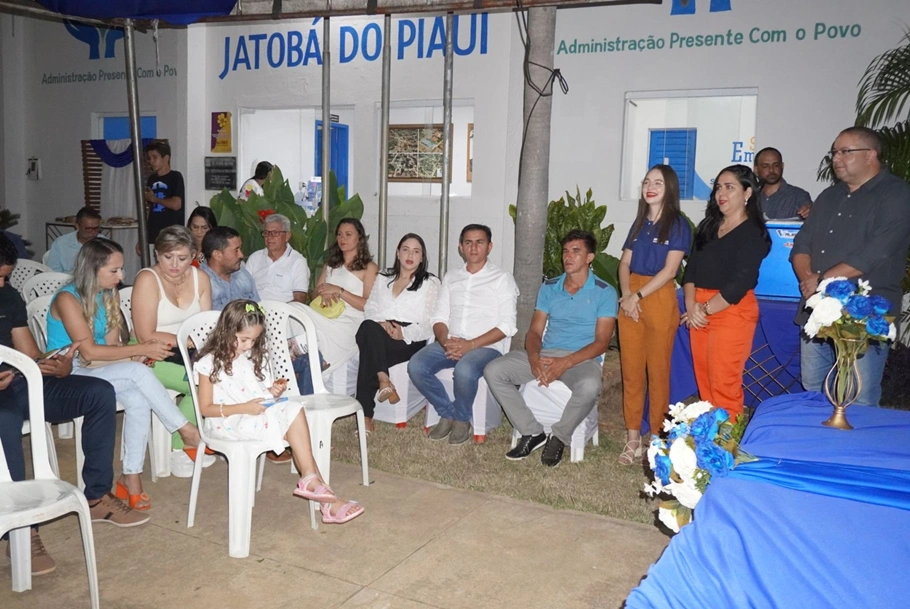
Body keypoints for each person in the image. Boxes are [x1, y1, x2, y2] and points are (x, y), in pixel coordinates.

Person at [0, 235, 146, 576]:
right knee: (5, 419)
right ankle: (19, 530)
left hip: (19, 380)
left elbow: (29, 353)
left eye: (5, 276)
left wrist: (56, 365)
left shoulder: (8, 296)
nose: (2, 283)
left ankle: (96, 496)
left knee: (98, 393)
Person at [46, 238, 204, 511]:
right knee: (136, 372)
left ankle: (131, 475)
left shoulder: (109, 295)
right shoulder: (66, 298)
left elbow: (110, 347)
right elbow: (89, 353)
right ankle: (187, 431)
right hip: (67, 373)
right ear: (92, 269)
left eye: (121, 270)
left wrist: (135, 354)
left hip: (94, 369)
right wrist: (141, 350)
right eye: (114, 271)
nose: (122, 277)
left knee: (137, 395)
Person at [194, 300, 364, 524]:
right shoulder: (209, 364)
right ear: (227, 331)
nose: (247, 346)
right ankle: (325, 498)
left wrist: (270, 392)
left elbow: (249, 394)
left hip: (252, 415)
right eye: (244, 339)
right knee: (296, 427)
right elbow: (206, 408)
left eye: (253, 340)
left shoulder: (245, 359)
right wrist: (246, 408)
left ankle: (321, 492)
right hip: (229, 422)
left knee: (294, 414)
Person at [791, 127, 910, 407]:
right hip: (818, 309)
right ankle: (819, 449)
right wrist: (808, 280)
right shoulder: (829, 196)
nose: (836, 158)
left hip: (865, 313)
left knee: (858, 393)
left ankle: (853, 449)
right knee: (813, 386)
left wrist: (819, 279)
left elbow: (874, 253)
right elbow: (802, 243)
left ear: (871, 155)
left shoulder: (897, 195)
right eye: (834, 152)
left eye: (845, 152)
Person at [484, 230, 617, 467]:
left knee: (589, 386)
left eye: (576, 251)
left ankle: (559, 437)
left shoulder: (604, 292)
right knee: (495, 370)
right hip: (546, 355)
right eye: (566, 251)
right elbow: (534, 332)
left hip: (581, 361)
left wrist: (565, 363)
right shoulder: (550, 287)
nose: (568, 256)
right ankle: (532, 432)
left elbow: (601, 343)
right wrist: (534, 359)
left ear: (589, 258)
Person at [408, 224, 518, 445]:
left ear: (489, 246)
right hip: (451, 340)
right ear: (460, 247)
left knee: (465, 369)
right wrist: (445, 341)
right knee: (416, 365)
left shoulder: (502, 279)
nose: (474, 247)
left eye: (480, 242)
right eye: (468, 242)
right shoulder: (451, 277)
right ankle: (447, 412)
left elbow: (507, 325)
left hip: (486, 346)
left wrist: (471, 345)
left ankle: (462, 419)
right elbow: (439, 317)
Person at [681, 165, 771, 417]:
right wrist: (691, 306)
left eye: (729, 187)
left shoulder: (753, 233)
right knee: (705, 382)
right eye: (719, 187)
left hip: (731, 310)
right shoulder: (707, 227)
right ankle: (709, 442)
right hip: (698, 309)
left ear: (747, 193)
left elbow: (740, 283)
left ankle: (726, 447)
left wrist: (704, 309)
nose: (721, 193)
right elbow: (691, 274)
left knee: (724, 384)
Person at [617, 165, 691, 465]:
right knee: (631, 371)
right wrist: (626, 296)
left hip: (658, 297)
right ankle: (633, 437)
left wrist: (637, 296)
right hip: (630, 297)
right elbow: (624, 264)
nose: (650, 186)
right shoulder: (638, 224)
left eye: (657, 182)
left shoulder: (678, 225)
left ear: (669, 188)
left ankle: (657, 439)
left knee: (658, 373)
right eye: (646, 181)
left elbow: (671, 271)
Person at [131, 226, 212, 456]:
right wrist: (187, 341)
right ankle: (181, 446)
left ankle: (197, 436)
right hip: (151, 352)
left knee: (218, 376)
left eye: (182, 258)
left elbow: (205, 325)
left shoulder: (201, 278)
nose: (174, 265)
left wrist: (198, 344)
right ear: (157, 254)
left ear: (193, 256)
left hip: (190, 350)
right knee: (198, 384)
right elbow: (145, 334)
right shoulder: (148, 279)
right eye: (168, 257)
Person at [356, 233, 439, 434]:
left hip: (411, 338)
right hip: (380, 329)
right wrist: (382, 324)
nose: (410, 254)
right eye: (405, 249)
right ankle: (383, 380)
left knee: (368, 345)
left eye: (416, 251)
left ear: (422, 257)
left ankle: (366, 415)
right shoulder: (384, 277)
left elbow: (431, 322)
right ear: (398, 253)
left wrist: (403, 332)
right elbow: (371, 307)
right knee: (368, 328)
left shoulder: (430, 282)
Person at [299, 218, 379, 370]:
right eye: (340, 234)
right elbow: (314, 294)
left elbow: (368, 305)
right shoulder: (330, 264)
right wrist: (323, 292)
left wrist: (339, 291)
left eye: (348, 234)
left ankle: (320, 362)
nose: (342, 239)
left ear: (359, 238)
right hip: (324, 314)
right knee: (296, 309)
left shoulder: (369, 268)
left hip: (350, 320)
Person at [246, 214, 309, 304]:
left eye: (275, 233)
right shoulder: (255, 258)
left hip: (283, 313)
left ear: (287, 236)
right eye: (266, 233)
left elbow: (299, 300)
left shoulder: (298, 261)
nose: (269, 237)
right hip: (254, 311)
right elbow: (243, 290)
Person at [200, 226, 260, 311]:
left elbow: (258, 307)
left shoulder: (242, 273)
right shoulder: (201, 281)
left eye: (240, 249)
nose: (241, 255)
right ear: (217, 255)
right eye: (236, 250)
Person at [754, 147, 813, 220]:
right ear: (756, 170)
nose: (771, 170)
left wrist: (811, 212)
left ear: (782, 166)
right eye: (765, 166)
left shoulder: (799, 196)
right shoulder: (751, 197)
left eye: (776, 165)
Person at [144, 140, 185, 244]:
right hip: (154, 232)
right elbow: (150, 210)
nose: (151, 161)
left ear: (166, 158)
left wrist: (155, 199)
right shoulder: (151, 179)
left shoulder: (175, 177)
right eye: (149, 158)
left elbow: (176, 204)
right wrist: (145, 235)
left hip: (172, 233)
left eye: (154, 157)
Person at [46, 207, 103, 273]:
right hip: (66, 281)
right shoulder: (61, 244)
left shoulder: (105, 244)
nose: (93, 232)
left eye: (96, 228)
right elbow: (53, 273)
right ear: (77, 226)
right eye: (88, 229)